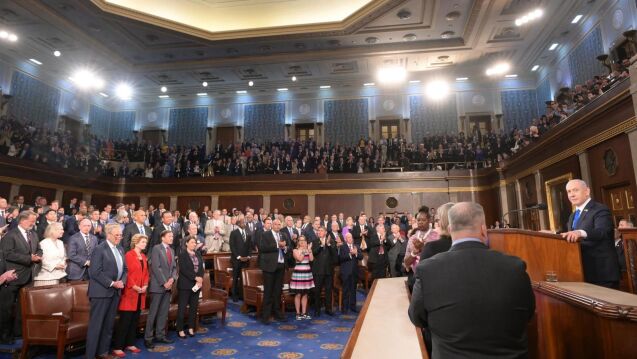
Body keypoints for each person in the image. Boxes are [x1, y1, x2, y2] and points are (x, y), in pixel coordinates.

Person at [408, 202, 535, 359]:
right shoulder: (515, 267)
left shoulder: (428, 270)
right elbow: (528, 314)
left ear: (449, 229)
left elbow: (417, 317)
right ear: (483, 229)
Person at [560, 179, 620, 288]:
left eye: (575, 190)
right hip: (582, 272)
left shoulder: (600, 209)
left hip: (602, 273)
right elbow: (570, 233)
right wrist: (553, 233)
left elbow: (602, 232)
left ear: (587, 191)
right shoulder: (573, 215)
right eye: (569, 191)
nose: (571, 195)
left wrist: (580, 232)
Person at [86, 223, 128, 359]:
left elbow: (125, 269)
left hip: (115, 292)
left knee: (108, 325)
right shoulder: (99, 249)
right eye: (117, 235)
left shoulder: (120, 248)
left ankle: (103, 353)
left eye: (120, 235)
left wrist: (122, 281)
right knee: (96, 326)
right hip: (101, 292)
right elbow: (95, 272)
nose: (119, 238)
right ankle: (91, 355)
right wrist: (112, 283)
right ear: (108, 234)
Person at [0, 210, 41, 344]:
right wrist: (29, 258)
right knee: (6, 308)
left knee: (22, 307)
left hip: (28, 276)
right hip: (12, 276)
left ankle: (18, 332)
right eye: (31, 221)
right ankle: (4, 335)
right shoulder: (10, 235)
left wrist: (39, 255)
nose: (33, 224)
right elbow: (8, 254)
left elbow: (39, 249)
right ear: (22, 220)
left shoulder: (33, 234)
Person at [112, 234, 149, 357]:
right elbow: (126, 273)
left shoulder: (143, 256)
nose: (145, 244)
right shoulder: (128, 255)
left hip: (140, 293)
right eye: (143, 242)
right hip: (130, 293)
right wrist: (134, 286)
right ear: (136, 242)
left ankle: (130, 343)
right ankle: (118, 346)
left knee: (134, 320)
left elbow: (146, 273)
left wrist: (145, 285)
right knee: (125, 321)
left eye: (145, 242)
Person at [145, 230, 177, 349]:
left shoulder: (172, 250)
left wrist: (172, 280)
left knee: (163, 313)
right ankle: (148, 338)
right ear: (162, 238)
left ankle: (160, 335)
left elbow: (174, 268)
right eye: (169, 236)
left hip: (168, 286)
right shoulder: (156, 248)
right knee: (153, 313)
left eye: (172, 236)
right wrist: (164, 282)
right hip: (158, 286)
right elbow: (156, 267)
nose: (172, 238)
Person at [258, 218, 288, 324]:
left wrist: (285, 248)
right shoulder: (265, 235)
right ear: (272, 225)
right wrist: (277, 245)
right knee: (268, 291)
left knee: (277, 291)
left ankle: (277, 313)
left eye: (279, 224)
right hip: (269, 267)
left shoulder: (283, 235)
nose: (278, 226)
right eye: (275, 224)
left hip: (281, 265)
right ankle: (265, 315)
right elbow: (262, 248)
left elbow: (287, 248)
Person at [404, 206, 439, 289]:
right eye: (418, 220)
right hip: (416, 278)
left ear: (429, 220)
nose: (420, 222)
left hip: (434, 277)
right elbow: (406, 263)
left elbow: (440, 259)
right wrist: (414, 252)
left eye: (423, 220)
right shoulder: (413, 238)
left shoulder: (437, 236)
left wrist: (424, 248)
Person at [176, 235, 204, 338]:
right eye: (192, 242)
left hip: (196, 285)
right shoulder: (182, 254)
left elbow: (201, 267)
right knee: (182, 308)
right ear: (186, 243)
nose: (194, 244)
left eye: (195, 242)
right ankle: (180, 329)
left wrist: (200, 278)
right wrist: (195, 277)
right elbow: (183, 269)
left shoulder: (198, 254)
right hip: (185, 285)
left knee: (193, 307)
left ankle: (191, 328)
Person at [311, 226, 337, 317]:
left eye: (321, 231)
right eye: (318, 231)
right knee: (317, 290)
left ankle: (328, 309)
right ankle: (317, 309)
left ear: (325, 232)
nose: (319, 232)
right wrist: (321, 245)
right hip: (318, 270)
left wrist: (328, 244)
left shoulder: (332, 241)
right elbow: (314, 253)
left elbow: (335, 255)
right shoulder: (315, 241)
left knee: (328, 290)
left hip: (329, 270)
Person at [289, 235, 314, 320]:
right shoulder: (295, 250)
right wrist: (304, 251)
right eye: (300, 240)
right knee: (298, 294)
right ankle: (297, 313)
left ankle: (304, 313)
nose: (302, 242)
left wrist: (309, 250)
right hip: (299, 272)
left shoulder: (307, 250)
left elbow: (311, 259)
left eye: (303, 240)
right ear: (298, 242)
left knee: (305, 294)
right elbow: (299, 259)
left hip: (307, 272)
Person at [229, 216, 251, 302]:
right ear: (238, 224)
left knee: (243, 278)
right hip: (236, 259)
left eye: (245, 223)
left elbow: (249, 246)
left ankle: (242, 295)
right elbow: (232, 246)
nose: (244, 224)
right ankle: (234, 295)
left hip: (245, 260)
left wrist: (248, 256)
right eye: (242, 222)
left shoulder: (248, 234)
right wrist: (238, 257)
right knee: (235, 278)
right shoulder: (234, 233)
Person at [339, 232, 362, 314]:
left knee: (353, 290)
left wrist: (356, 253)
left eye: (351, 237)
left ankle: (353, 306)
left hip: (354, 272)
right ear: (345, 239)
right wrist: (350, 254)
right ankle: (344, 308)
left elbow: (361, 257)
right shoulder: (342, 247)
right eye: (348, 237)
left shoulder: (356, 246)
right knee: (345, 290)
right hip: (345, 272)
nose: (350, 239)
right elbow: (341, 258)